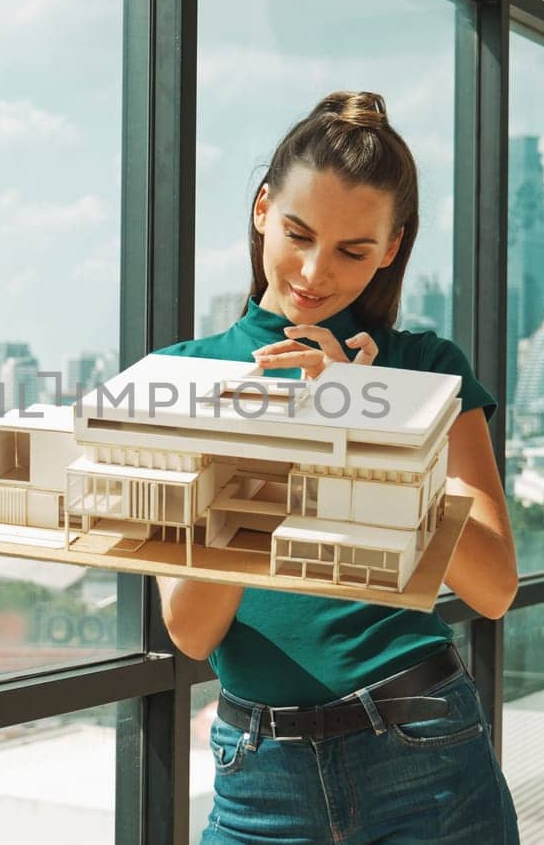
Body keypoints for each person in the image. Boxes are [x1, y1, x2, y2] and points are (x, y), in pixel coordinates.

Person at [155, 91, 521, 843]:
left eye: (354, 250)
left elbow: (492, 589)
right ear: (262, 210)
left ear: (392, 247)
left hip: (427, 758)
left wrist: (367, 424)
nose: (317, 272)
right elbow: (192, 631)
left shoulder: (425, 369)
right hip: (259, 779)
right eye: (298, 233)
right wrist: (281, 444)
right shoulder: (181, 381)